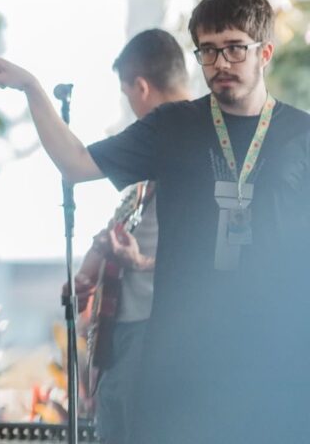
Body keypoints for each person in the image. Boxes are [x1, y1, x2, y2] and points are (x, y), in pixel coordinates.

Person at [0, 0, 310, 443]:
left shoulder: (301, 136)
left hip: (273, 362)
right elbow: (76, 164)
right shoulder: (174, 125)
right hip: (183, 363)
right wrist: (33, 89)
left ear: (265, 52)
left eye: (235, 48)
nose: (221, 64)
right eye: (208, 52)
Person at [68, 29, 190, 444]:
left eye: (126, 94)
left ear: (140, 87)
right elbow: (123, 226)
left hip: (158, 336)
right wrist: (93, 266)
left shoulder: (189, 148)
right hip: (123, 335)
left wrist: (138, 261)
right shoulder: (148, 165)